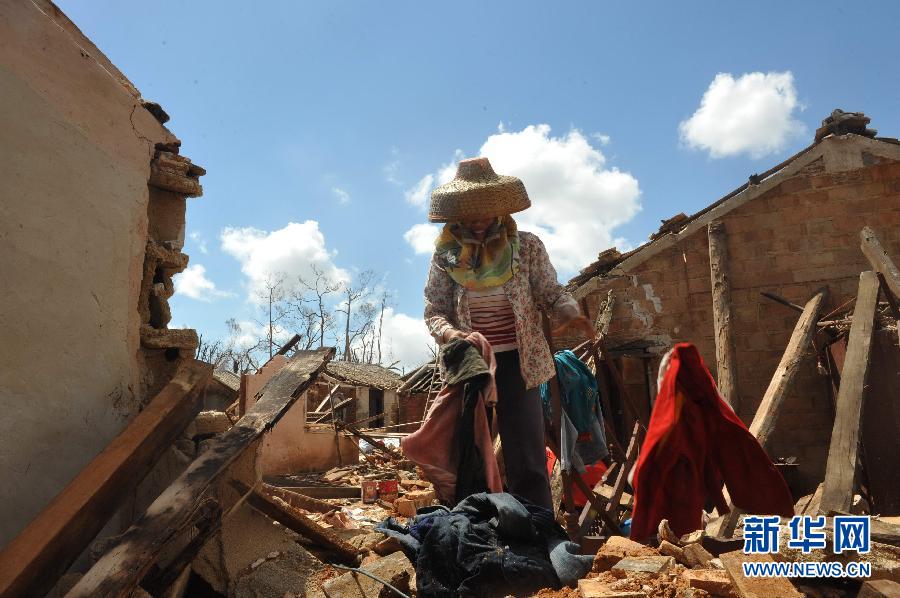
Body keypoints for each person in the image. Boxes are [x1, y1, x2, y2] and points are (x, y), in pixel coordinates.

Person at [423, 156, 593, 510]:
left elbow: (550, 291)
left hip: (521, 361)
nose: (480, 220)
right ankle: (476, 529)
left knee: (527, 454)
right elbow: (434, 309)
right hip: (470, 365)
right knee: (471, 453)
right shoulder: (446, 256)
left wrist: (567, 311)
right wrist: (452, 335)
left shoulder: (526, 246)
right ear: (458, 215)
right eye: (471, 213)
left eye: (486, 210)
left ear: (499, 208)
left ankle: (537, 529)